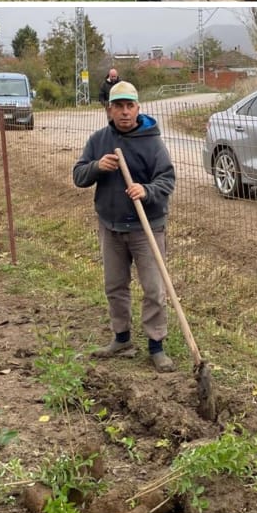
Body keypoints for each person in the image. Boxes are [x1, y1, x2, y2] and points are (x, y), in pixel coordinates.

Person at [72, 81, 176, 373]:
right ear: (110, 110)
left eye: (130, 106)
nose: (125, 112)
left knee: (154, 289)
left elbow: (167, 179)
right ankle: (122, 340)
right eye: (119, 106)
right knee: (115, 286)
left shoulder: (152, 141)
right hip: (111, 225)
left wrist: (146, 190)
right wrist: (96, 167)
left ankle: (156, 345)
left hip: (147, 228)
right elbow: (78, 175)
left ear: (138, 108)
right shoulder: (98, 140)